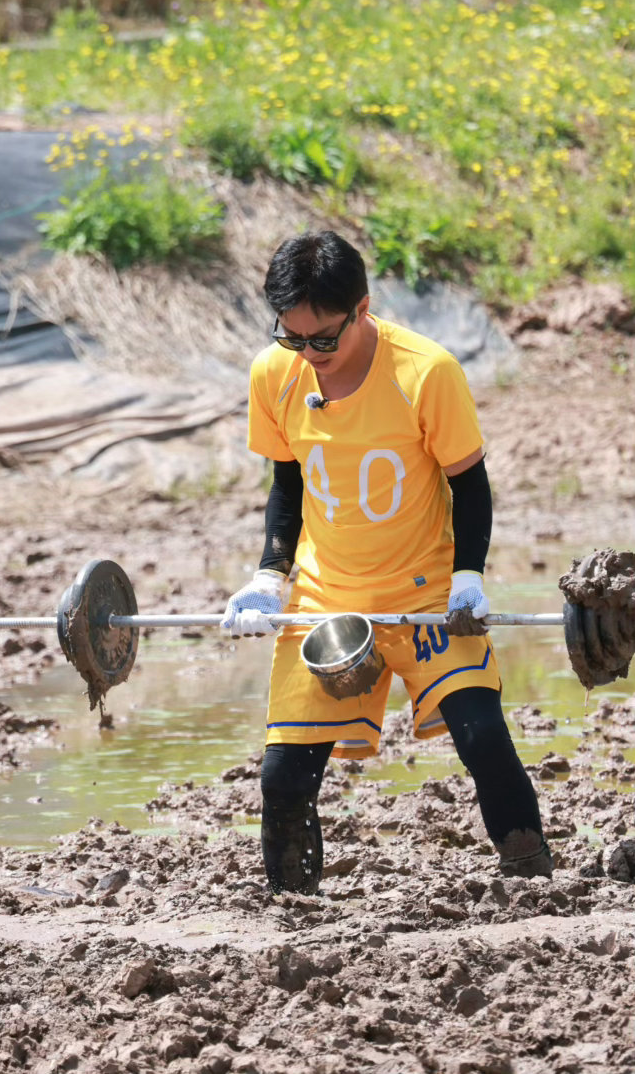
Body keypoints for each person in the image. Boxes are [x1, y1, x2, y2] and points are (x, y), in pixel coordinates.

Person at [221, 230, 552, 894]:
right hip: (327, 598)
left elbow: (470, 482)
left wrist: (469, 575)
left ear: (363, 309)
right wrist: (269, 574)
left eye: (324, 339)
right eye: (292, 337)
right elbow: (287, 484)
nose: (308, 354)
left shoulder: (425, 372)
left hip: (426, 592)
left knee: (483, 738)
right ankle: (293, 907)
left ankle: (534, 882)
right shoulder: (273, 374)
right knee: (283, 777)